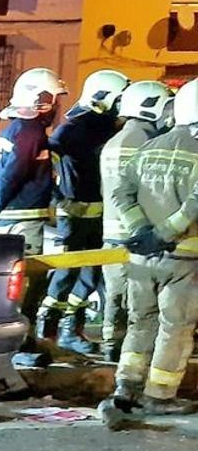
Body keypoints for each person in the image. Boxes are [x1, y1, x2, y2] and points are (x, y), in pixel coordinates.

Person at [109, 78, 198, 415]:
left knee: (140, 322)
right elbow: (194, 205)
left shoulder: (151, 146)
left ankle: (125, 387)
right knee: (175, 327)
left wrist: (141, 230)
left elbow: (121, 192)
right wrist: (162, 233)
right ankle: (160, 395)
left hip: (141, 256)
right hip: (184, 257)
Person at [0, 68, 69, 349]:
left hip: (10, 216)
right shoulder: (31, 132)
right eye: (54, 99)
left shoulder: (11, 130)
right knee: (27, 281)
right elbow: (13, 173)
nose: (57, 107)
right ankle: (19, 341)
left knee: (10, 280)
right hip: (24, 218)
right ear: (41, 100)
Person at [36, 69, 130, 354]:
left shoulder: (110, 129)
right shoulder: (70, 130)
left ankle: (70, 330)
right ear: (103, 98)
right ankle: (45, 333)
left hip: (98, 216)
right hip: (72, 217)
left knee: (90, 276)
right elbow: (44, 163)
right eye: (117, 100)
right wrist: (57, 197)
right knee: (64, 275)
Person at [99, 80, 174, 363]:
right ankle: (131, 357)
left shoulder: (114, 141)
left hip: (112, 231)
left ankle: (110, 346)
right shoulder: (144, 142)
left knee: (114, 296)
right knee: (138, 304)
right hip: (138, 233)